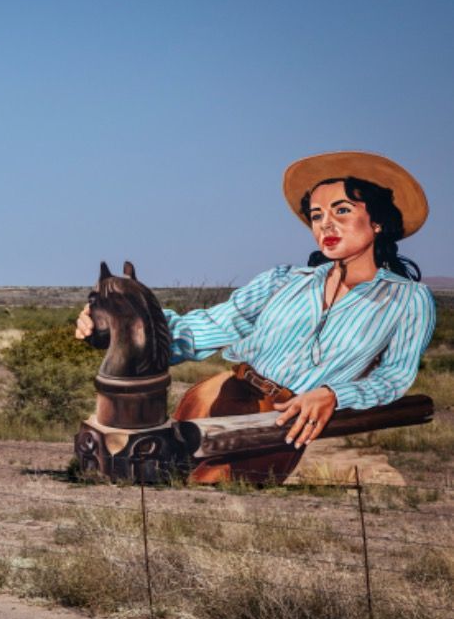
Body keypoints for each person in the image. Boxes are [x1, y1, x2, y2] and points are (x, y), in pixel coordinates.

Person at [76, 151, 436, 481]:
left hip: (283, 416)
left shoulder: (407, 300)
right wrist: (122, 325)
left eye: (341, 211)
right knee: (161, 477)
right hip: (219, 392)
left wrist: (333, 395)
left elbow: (395, 375)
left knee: (218, 494)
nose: (326, 225)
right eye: (316, 215)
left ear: (377, 223)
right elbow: (211, 326)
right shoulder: (283, 281)